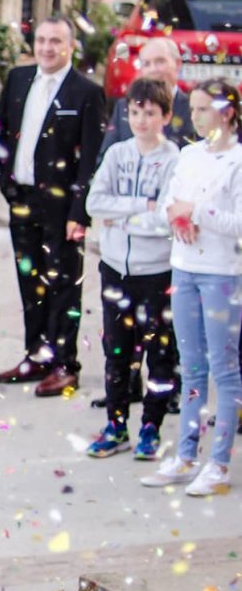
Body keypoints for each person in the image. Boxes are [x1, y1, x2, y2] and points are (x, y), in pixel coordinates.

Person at [0, 16, 106, 396]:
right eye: (41, 40)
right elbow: (2, 135)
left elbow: (90, 158)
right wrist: (7, 186)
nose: (46, 48)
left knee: (63, 285)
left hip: (62, 207)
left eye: (55, 41)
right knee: (31, 282)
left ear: (69, 45)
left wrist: (80, 213)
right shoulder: (18, 80)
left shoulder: (86, 92)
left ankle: (64, 364)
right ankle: (36, 354)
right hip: (22, 199)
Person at [142, 78, 242, 497]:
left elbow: (236, 223)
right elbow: (170, 203)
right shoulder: (188, 155)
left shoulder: (237, 161)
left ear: (228, 113)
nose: (196, 116)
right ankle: (185, 453)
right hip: (184, 267)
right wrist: (178, 217)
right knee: (192, 363)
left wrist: (197, 211)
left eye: (204, 109)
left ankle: (218, 462)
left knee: (224, 366)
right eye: (194, 108)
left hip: (221, 272)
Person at [90, 37, 194, 412]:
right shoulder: (125, 108)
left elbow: (169, 208)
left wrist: (129, 215)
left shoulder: (190, 108)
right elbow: (101, 183)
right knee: (119, 334)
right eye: (146, 62)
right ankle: (126, 389)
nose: (152, 69)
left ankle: (167, 394)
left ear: (177, 64)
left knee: (163, 336)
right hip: (120, 256)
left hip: (167, 251)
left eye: (160, 62)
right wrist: (137, 208)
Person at [84, 77, 181, 460]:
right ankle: (116, 425)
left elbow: (167, 222)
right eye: (135, 112)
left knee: (158, 353)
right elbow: (95, 202)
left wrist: (122, 215)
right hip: (115, 268)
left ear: (166, 116)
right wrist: (142, 206)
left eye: (150, 113)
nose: (141, 120)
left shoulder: (175, 161)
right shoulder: (118, 154)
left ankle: (151, 429)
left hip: (156, 272)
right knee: (117, 352)